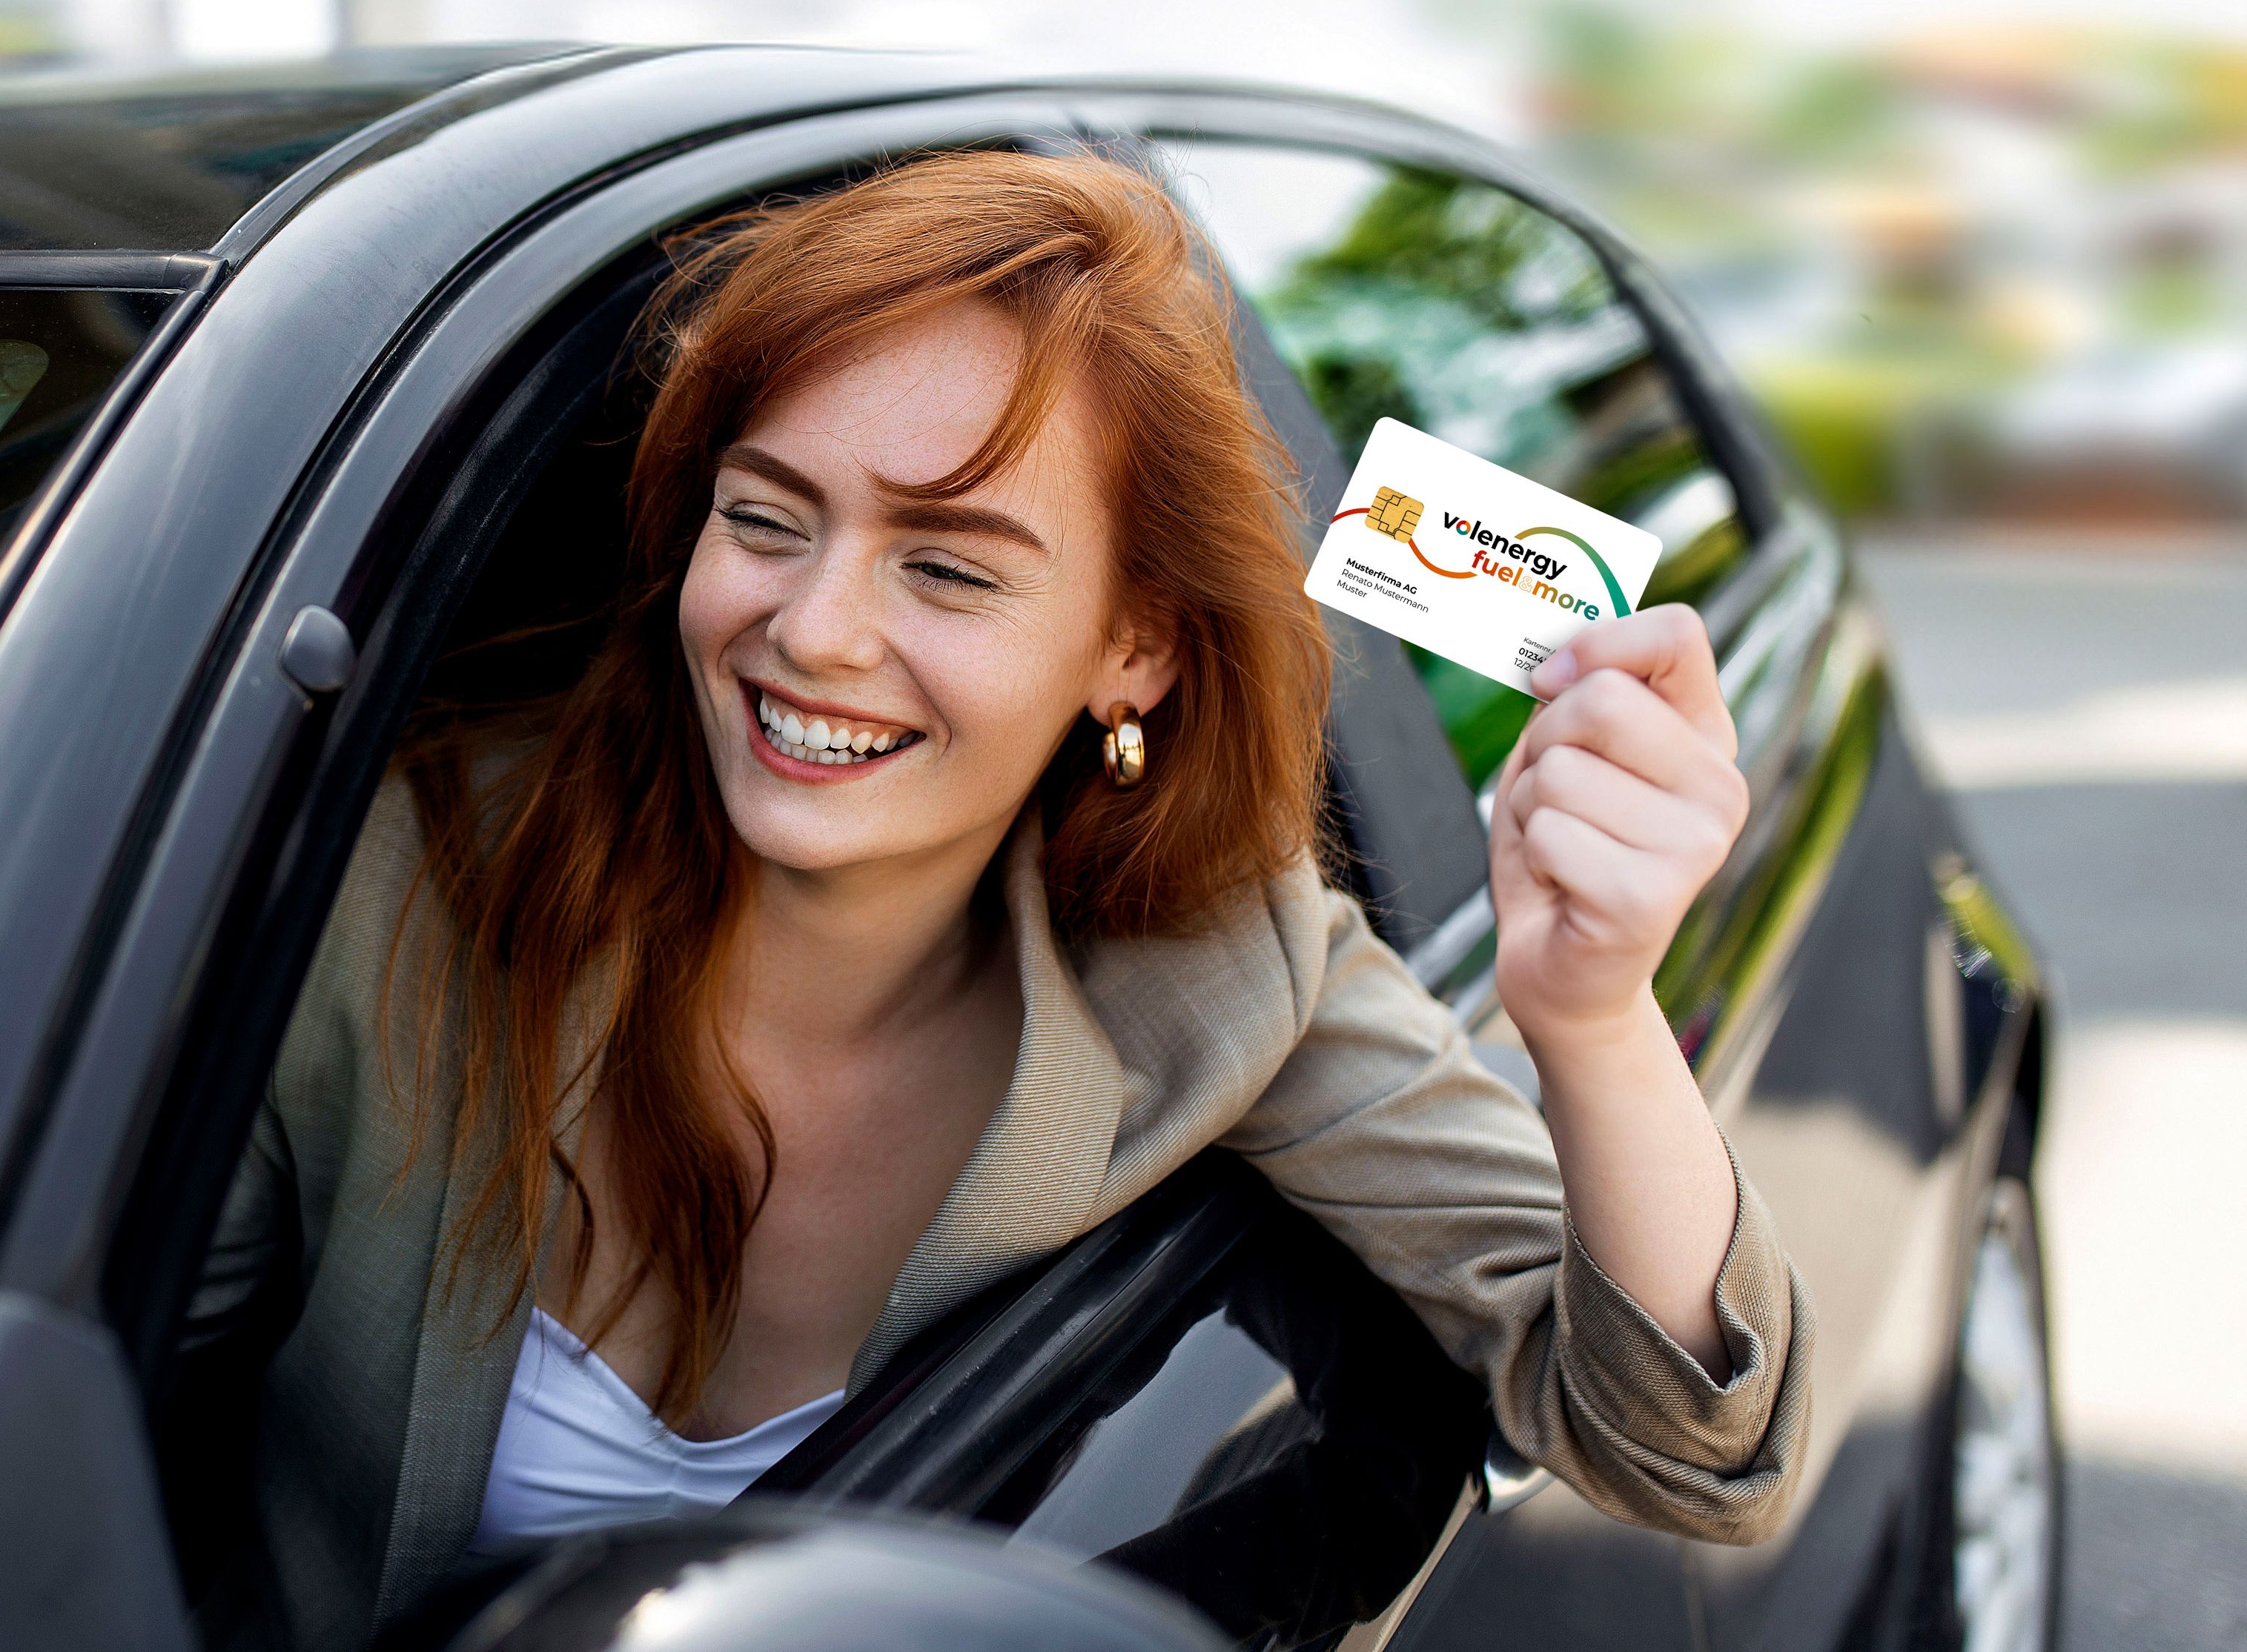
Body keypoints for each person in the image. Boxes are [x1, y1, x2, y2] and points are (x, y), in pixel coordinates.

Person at [194, 149, 1811, 1647]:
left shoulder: (1221, 973)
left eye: (949, 566)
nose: (814, 629)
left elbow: (1691, 1448)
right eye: (764, 519)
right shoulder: (403, 875)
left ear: (1137, 647)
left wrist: (1592, 1017)